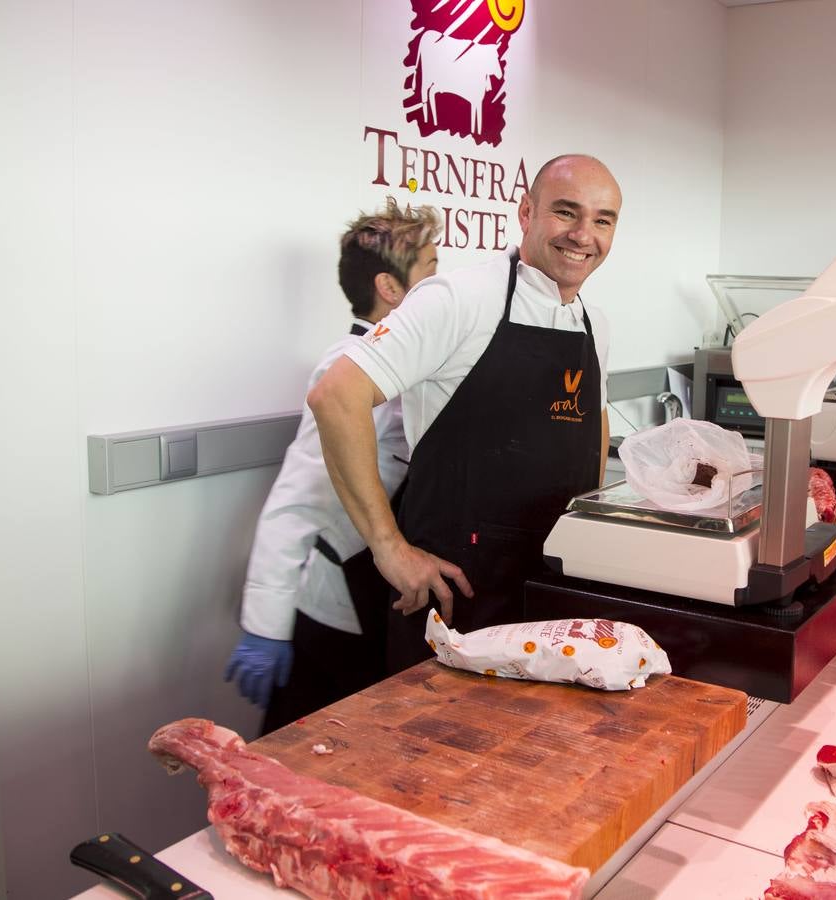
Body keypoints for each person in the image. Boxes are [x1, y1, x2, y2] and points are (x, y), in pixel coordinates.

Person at [308, 154, 620, 673]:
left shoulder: (595, 323)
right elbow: (335, 396)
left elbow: (594, 426)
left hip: (551, 594)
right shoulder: (459, 298)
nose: (584, 234)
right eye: (566, 212)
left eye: (603, 220)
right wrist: (388, 548)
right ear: (526, 213)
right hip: (459, 597)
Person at [225, 198, 442, 734]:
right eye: (431, 274)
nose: (444, 292)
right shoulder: (346, 372)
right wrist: (268, 627)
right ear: (390, 289)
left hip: (373, 595)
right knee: (303, 760)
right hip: (336, 607)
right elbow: (300, 498)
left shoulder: (405, 364)